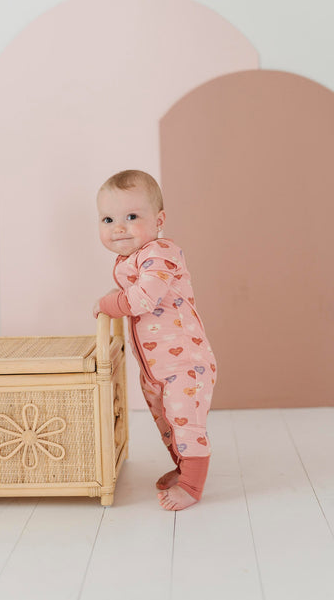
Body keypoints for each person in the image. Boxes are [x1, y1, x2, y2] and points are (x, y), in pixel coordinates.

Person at [93, 170, 217, 511]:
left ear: (158, 220)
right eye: (108, 219)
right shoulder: (129, 260)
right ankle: (183, 468)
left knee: (184, 421)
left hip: (185, 364)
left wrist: (108, 303)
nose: (119, 227)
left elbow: (144, 298)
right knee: (167, 424)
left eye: (131, 217)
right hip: (156, 368)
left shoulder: (160, 252)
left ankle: (192, 484)